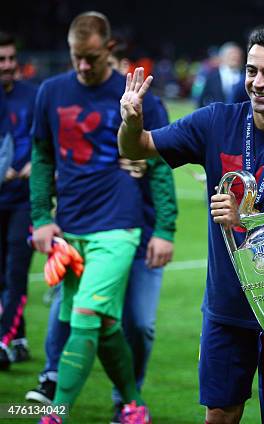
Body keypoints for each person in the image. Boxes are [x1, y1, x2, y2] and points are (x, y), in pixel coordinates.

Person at [118, 27, 264, 424]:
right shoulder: (215, 122)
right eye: (252, 71)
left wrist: (246, 222)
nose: (258, 83)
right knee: (220, 413)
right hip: (227, 306)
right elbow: (137, 147)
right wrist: (131, 121)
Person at [30, 11, 165, 423]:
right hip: (70, 225)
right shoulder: (51, 92)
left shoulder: (140, 96)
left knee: (92, 317)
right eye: (76, 57)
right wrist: (40, 216)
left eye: (90, 57)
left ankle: (56, 413)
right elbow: (41, 155)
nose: (83, 66)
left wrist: (165, 227)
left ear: (110, 48)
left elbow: (159, 163)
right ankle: (131, 403)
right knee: (99, 321)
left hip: (121, 224)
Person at [0, 31, 38, 370]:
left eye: (12, 58)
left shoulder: (33, 95)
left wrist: (32, 164)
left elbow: (45, 139)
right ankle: (19, 336)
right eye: (2, 60)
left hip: (24, 199)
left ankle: (3, 341)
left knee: (15, 273)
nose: (8, 65)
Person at [196, 42, 244, 108]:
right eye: (231, 55)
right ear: (223, 57)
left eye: (237, 55)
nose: (235, 57)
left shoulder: (245, 76)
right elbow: (201, 100)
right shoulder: (211, 76)